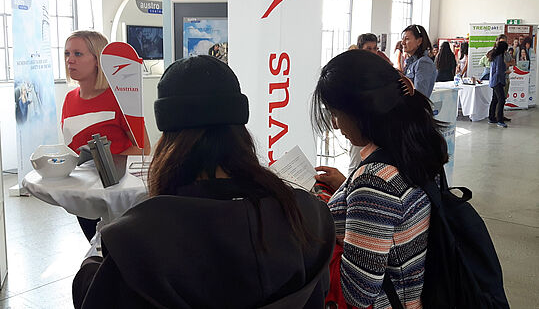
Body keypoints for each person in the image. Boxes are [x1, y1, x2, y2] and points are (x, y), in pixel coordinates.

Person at [72, 55, 335, 309]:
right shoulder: (306, 216)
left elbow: (96, 297)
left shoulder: (137, 239)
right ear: (241, 130)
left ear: (168, 140)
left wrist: (94, 255)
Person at [312, 49, 448, 308]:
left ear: (362, 112)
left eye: (337, 113)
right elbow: (394, 219)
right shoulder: (411, 151)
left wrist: (316, 228)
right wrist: (346, 187)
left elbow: (358, 293)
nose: (336, 124)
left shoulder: (374, 182)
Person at [62, 30, 151, 241]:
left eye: (78, 54)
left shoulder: (119, 98)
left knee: (118, 251)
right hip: (83, 192)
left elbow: (143, 147)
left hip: (116, 192)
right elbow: (72, 148)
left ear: (98, 59)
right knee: (95, 249)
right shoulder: (69, 99)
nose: (70, 60)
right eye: (67, 54)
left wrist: (106, 165)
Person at [402, 24, 437, 97]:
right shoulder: (411, 61)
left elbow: (420, 95)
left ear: (419, 41)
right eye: (403, 39)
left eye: (407, 39)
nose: (403, 43)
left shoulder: (423, 63)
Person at [488, 41, 509, 128]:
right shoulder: (499, 57)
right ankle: (500, 120)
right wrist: (506, 72)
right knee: (501, 99)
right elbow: (499, 71)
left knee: (495, 99)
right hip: (498, 81)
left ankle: (492, 117)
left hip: (494, 81)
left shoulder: (494, 55)